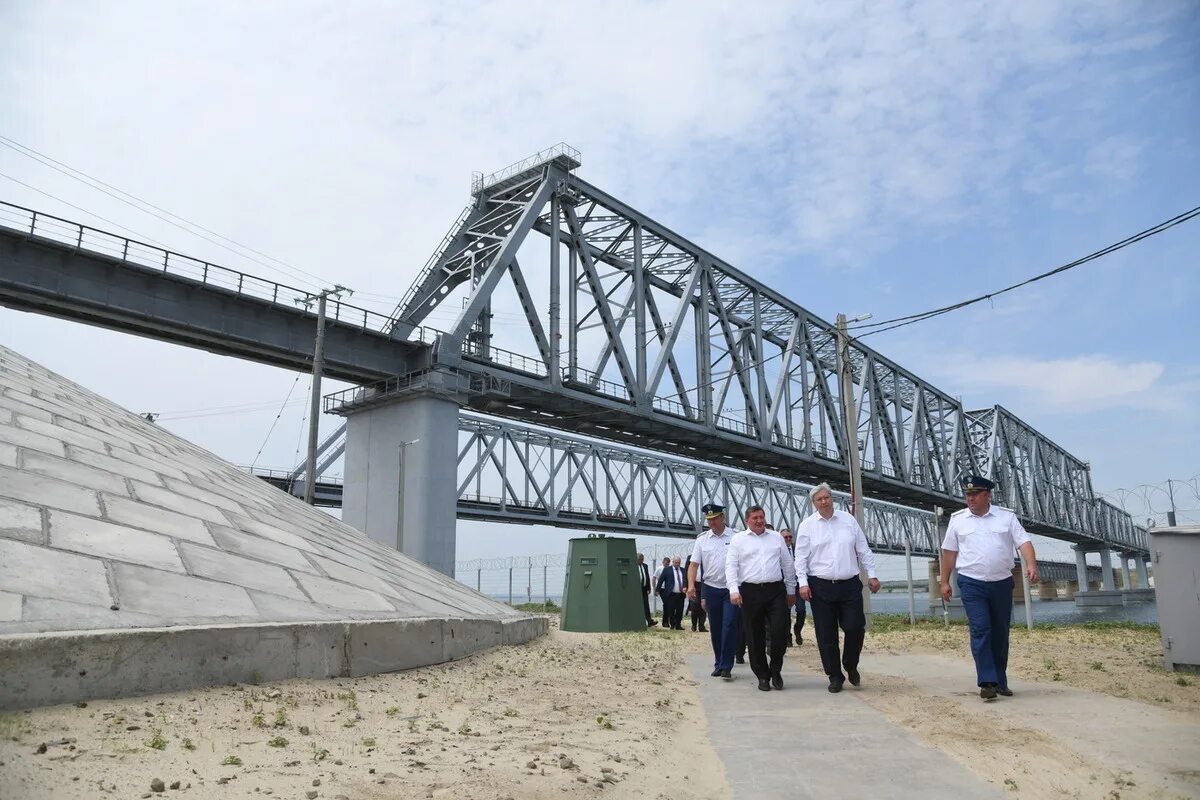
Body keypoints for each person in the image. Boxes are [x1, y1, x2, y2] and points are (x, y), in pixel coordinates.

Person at [939, 475, 1038, 701]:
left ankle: (1000, 681)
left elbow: (1024, 542)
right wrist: (944, 581)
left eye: (975, 494)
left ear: (988, 495)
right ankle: (987, 681)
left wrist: (1031, 564)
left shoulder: (1006, 517)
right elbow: (949, 553)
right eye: (968, 494)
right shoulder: (958, 520)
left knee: (1000, 633)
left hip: (1002, 583)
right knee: (981, 629)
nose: (970, 498)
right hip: (971, 582)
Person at [795, 483, 880, 693]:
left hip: (849, 583)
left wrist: (873, 574)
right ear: (814, 503)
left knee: (855, 626)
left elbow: (863, 549)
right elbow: (801, 558)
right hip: (820, 585)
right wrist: (803, 584)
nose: (824, 501)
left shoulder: (848, 521)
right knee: (826, 634)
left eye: (827, 497)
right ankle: (834, 675)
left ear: (832, 498)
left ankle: (850, 664)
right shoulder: (807, 526)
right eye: (819, 499)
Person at [726, 505, 796, 691]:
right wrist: (734, 590)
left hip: (775, 590)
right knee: (754, 636)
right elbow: (731, 566)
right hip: (750, 592)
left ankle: (776, 670)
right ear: (747, 520)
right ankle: (762, 676)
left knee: (779, 632)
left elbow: (787, 564)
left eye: (761, 517)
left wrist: (791, 590)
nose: (759, 521)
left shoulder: (776, 538)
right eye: (755, 518)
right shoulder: (738, 540)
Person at [688, 503, 741, 679]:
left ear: (722, 518)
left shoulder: (736, 537)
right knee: (716, 628)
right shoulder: (702, 539)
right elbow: (694, 565)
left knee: (729, 625)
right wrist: (691, 586)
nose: (711, 522)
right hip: (711, 588)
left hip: (730, 588)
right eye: (708, 519)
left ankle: (727, 665)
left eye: (714, 518)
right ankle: (719, 662)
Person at [779, 527, 807, 646]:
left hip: (797, 585)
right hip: (784, 586)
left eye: (790, 537)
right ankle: (788, 636)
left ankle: (797, 630)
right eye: (785, 537)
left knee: (801, 610)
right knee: (786, 614)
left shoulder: (797, 549)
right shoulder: (777, 550)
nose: (788, 539)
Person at [657, 556, 687, 630]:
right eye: (676, 562)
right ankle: (672, 624)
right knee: (671, 610)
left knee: (680, 610)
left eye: (679, 563)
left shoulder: (683, 570)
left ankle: (678, 625)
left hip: (680, 594)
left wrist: (686, 587)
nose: (677, 564)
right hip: (671, 594)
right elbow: (661, 580)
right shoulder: (667, 570)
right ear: (673, 562)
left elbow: (686, 580)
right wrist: (657, 589)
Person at [683, 555, 707, 632]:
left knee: (703, 605)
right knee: (694, 605)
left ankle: (701, 626)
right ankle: (694, 625)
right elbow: (686, 572)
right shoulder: (691, 558)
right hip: (693, 584)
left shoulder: (705, 556)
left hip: (704, 584)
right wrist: (685, 585)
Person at [636, 553, 657, 627]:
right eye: (640, 559)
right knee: (637, 605)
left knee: (646, 605)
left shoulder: (645, 566)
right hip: (636, 589)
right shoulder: (634, 566)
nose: (641, 561)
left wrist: (649, 587)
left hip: (644, 588)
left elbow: (647, 577)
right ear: (636, 559)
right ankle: (638, 621)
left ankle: (649, 621)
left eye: (642, 559)